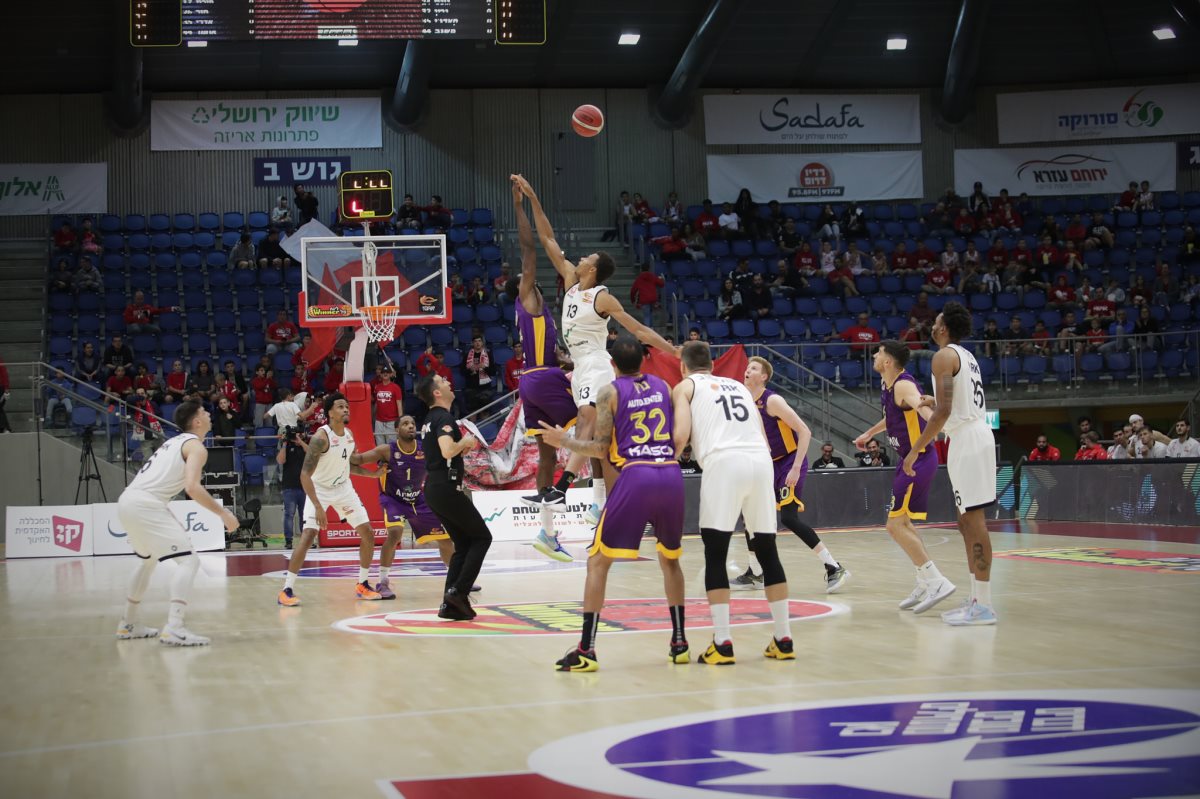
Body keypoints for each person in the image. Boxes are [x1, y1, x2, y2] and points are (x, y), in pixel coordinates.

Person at [513, 173, 678, 527]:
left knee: (587, 421)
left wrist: (674, 352)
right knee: (598, 433)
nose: (581, 257)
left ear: (593, 268)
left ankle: (563, 489)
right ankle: (600, 501)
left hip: (597, 362)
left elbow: (638, 329)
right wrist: (533, 197)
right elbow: (547, 238)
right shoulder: (572, 282)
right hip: (579, 366)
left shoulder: (602, 297)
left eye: (587, 256)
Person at [538, 336, 688, 671]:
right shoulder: (664, 386)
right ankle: (679, 642)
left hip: (637, 475)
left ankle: (586, 650)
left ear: (612, 365)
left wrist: (563, 440)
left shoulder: (609, 392)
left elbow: (601, 448)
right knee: (670, 561)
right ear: (643, 361)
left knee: (597, 563)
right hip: (670, 474)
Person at [671, 341, 795, 665]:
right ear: (712, 364)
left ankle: (723, 643)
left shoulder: (685, 386)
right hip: (761, 462)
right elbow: (762, 435)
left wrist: (665, 464)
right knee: (767, 551)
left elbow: (681, 435)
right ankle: (783, 639)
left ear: (683, 367)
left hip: (724, 462)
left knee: (716, 553)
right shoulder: (739, 387)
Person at [903, 302, 998, 626]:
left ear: (943, 328)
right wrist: (935, 400)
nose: (932, 325)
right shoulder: (965, 355)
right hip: (969, 435)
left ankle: (984, 604)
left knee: (974, 521)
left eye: (936, 321)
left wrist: (916, 449)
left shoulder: (943, 356)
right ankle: (977, 597)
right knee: (964, 521)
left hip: (968, 438)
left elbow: (943, 412)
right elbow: (953, 400)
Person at [115, 401, 240, 646]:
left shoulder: (173, 442)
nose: (209, 414)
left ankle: (128, 623)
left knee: (147, 561)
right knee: (189, 561)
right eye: (204, 412)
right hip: (146, 504)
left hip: (128, 501)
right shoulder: (196, 447)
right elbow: (192, 487)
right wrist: (223, 513)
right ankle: (174, 627)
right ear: (197, 421)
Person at [855, 341, 955, 616]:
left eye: (879, 353)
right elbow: (892, 418)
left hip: (917, 460)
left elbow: (923, 411)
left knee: (894, 525)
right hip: (908, 460)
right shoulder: (889, 386)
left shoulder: (903, 385)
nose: (874, 356)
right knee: (904, 523)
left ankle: (936, 581)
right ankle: (924, 581)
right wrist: (869, 433)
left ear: (888, 361)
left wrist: (934, 419)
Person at [506, 183, 579, 560]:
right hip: (542, 377)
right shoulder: (528, 299)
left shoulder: (538, 314)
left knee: (546, 452)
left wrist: (567, 362)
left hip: (532, 381)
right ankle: (602, 503)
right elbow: (529, 249)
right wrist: (520, 205)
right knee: (592, 427)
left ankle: (547, 533)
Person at [740, 356, 849, 592]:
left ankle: (834, 566)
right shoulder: (745, 401)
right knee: (749, 514)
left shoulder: (772, 400)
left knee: (789, 518)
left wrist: (796, 467)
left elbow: (805, 431)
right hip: (768, 465)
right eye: (747, 367)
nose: (748, 370)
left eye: (754, 368)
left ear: (764, 376)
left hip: (790, 462)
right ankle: (755, 572)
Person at [276, 392, 386, 607]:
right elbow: (305, 475)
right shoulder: (320, 438)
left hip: (343, 488)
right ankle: (286, 590)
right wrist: (318, 506)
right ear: (330, 413)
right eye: (340, 406)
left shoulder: (349, 435)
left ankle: (363, 583)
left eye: (347, 406)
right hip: (320, 489)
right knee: (308, 535)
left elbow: (348, 465)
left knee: (368, 533)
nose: (345, 409)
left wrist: (373, 474)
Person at [415, 373, 493, 621]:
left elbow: (446, 452)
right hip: (446, 487)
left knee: (463, 544)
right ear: (437, 392)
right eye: (443, 381)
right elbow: (447, 450)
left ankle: (449, 604)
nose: (449, 382)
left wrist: (462, 448)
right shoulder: (444, 417)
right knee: (482, 537)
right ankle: (458, 593)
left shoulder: (430, 419)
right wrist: (465, 442)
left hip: (435, 487)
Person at [358, 416, 455, 601]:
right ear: (397, 430)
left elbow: (446, 456)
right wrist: (342, 454)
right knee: (395, 534)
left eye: (412, 424)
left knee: (446, 539)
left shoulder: (425, 448)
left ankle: (455, 580)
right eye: (405, 424)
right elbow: (360, 459)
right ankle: (383, 582)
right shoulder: (387, 450)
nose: (410, 426)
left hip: (418, 499)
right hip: (393, 500)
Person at [276, 427, 308, 549]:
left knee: (305, 515)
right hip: (289, 486)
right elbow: (280, 460)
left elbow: (312, 454)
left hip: (305, 486)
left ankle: (306, 540)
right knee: (289, 514)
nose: (295, 437)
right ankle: (288, 541)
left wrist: (301, 442)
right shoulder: (287, 446)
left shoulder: (305, 446)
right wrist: (284, 443)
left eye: (298, 434)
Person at [372, 366, 402, 445]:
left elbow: (399, 404)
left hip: (392, 421)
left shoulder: (396, 388)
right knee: (380, 446)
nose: (385, 374)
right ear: (380, 374)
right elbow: (376, 403)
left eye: (387, 372)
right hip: (379, 421)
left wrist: (400, 421)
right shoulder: (377, 387)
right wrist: (373, 417)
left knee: (392, 446)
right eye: (383, 372)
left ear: (391, 374)